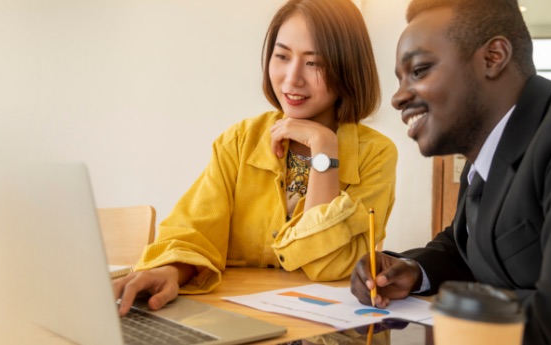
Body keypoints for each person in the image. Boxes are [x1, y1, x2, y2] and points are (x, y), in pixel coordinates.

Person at [348, 0, 551, 344]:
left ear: (493, 57)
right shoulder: (484, 160)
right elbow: (467, 248)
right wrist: (414, 272)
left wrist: (452, 311)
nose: (399, 97)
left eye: (418, 70)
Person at [113, 0, 397, 316]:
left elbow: (327, 265)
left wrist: (324, 149)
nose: (292, 79)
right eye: (282, 56)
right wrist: (172, 271)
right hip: (235, 317)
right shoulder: (240, 140)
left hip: (331, 326)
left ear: (348, 66)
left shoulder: (376, 155)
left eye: (314, 63)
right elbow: (193, 231)